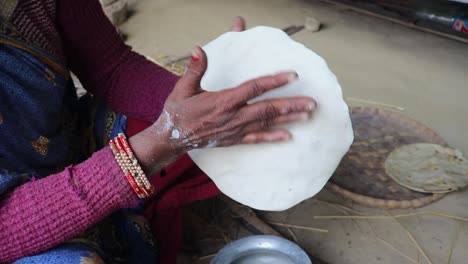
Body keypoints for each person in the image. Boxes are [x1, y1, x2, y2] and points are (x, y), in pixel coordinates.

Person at [0, 0, 316, 263]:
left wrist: (210, 98)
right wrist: (160, 144)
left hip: (64, 142)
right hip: (13, 223)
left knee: (222, 137)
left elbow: (111, 66)